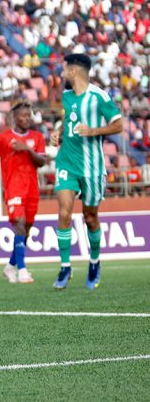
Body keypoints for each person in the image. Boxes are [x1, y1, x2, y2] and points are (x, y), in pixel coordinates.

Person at [50, 53, 123, 290]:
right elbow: (67, 120)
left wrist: (93, 131)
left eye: (64, 70)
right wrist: (58, 132)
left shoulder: (99, 97)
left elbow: (118, 124)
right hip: (66, 163)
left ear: (74, 71)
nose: (62, 74)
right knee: (64, 213)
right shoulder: (67, 96)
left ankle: (94, 261)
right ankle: (65, 267)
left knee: (90, 218)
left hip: (92, 168)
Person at [0, 100, 47, 284]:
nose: (28, 119)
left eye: (29, 115)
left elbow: (42, 162)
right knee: (19, 224)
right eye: (24, 115)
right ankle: (22, 271)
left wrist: (27, 149)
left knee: (26, 230)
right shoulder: (3, 138)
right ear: (14, 118)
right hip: (13, 188)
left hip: (32, 190)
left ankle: (10, 266)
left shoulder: (37, 137)